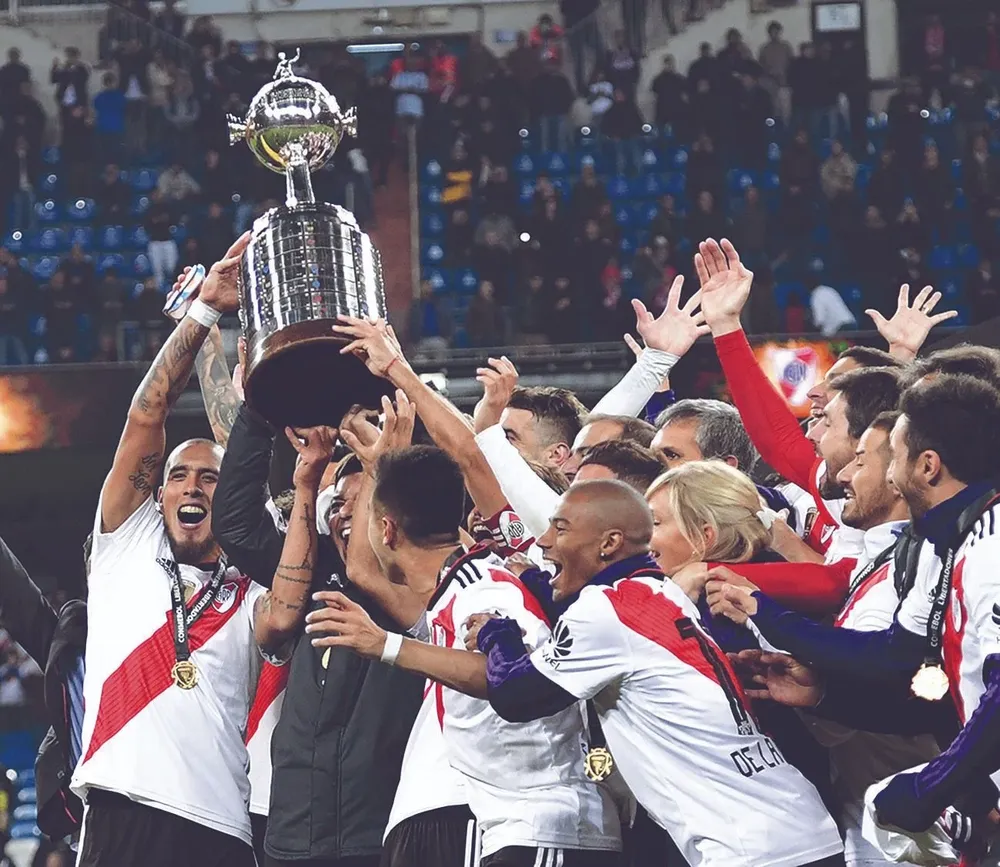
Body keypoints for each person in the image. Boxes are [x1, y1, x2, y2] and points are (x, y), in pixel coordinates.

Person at [70, 236, 335, 867]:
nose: (192, 487)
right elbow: (147, 416)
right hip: (121, 807)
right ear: (157, 493)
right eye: (179, 476)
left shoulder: (252, 580)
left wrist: (251, 388)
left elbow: (283, 614)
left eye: (210, 479)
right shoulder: (126, 546)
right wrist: (205, 313)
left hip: (223, 824)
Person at [476, 479, 845, 867]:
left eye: (561, 528)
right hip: (799, 825)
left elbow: (515, 695)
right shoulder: (662, 594)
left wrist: (497, 635)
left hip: (750, 847)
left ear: (609, 543)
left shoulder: (608, 608)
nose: (544, 541)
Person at [304, 446, 623, 867]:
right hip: (526, 827)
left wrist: (385, 644)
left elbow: (510, 674)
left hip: (546, 824)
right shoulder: (457, 589)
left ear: (386, 530)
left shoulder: (484, 587)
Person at [706, 413, 942, 867]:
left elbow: (883, 679)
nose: (843, 474)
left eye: (861, 461)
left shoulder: (913, 573)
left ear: (902, 477)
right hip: (879, 812)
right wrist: (819, 691)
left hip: (912, 825)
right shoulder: (884, 557)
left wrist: (763, 615)